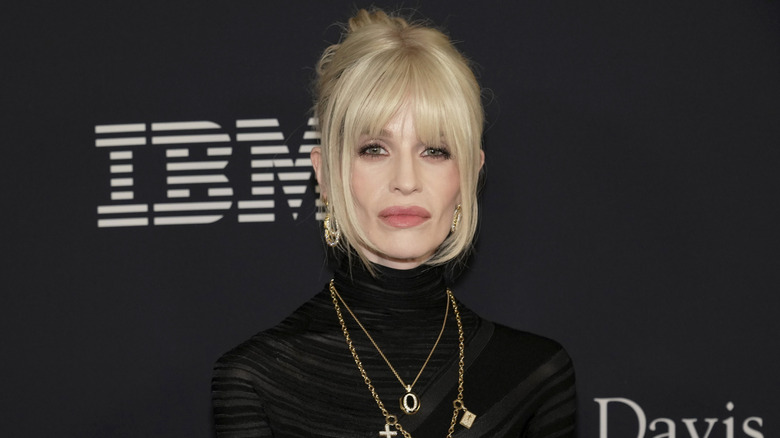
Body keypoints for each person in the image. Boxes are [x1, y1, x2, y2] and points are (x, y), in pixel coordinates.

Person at [212, 8, 576, 438]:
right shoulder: (256, 378)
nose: (406, 181)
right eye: (374, 149)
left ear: (470, 175)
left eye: (435, 151)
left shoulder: (534, 374)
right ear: (325, 175)